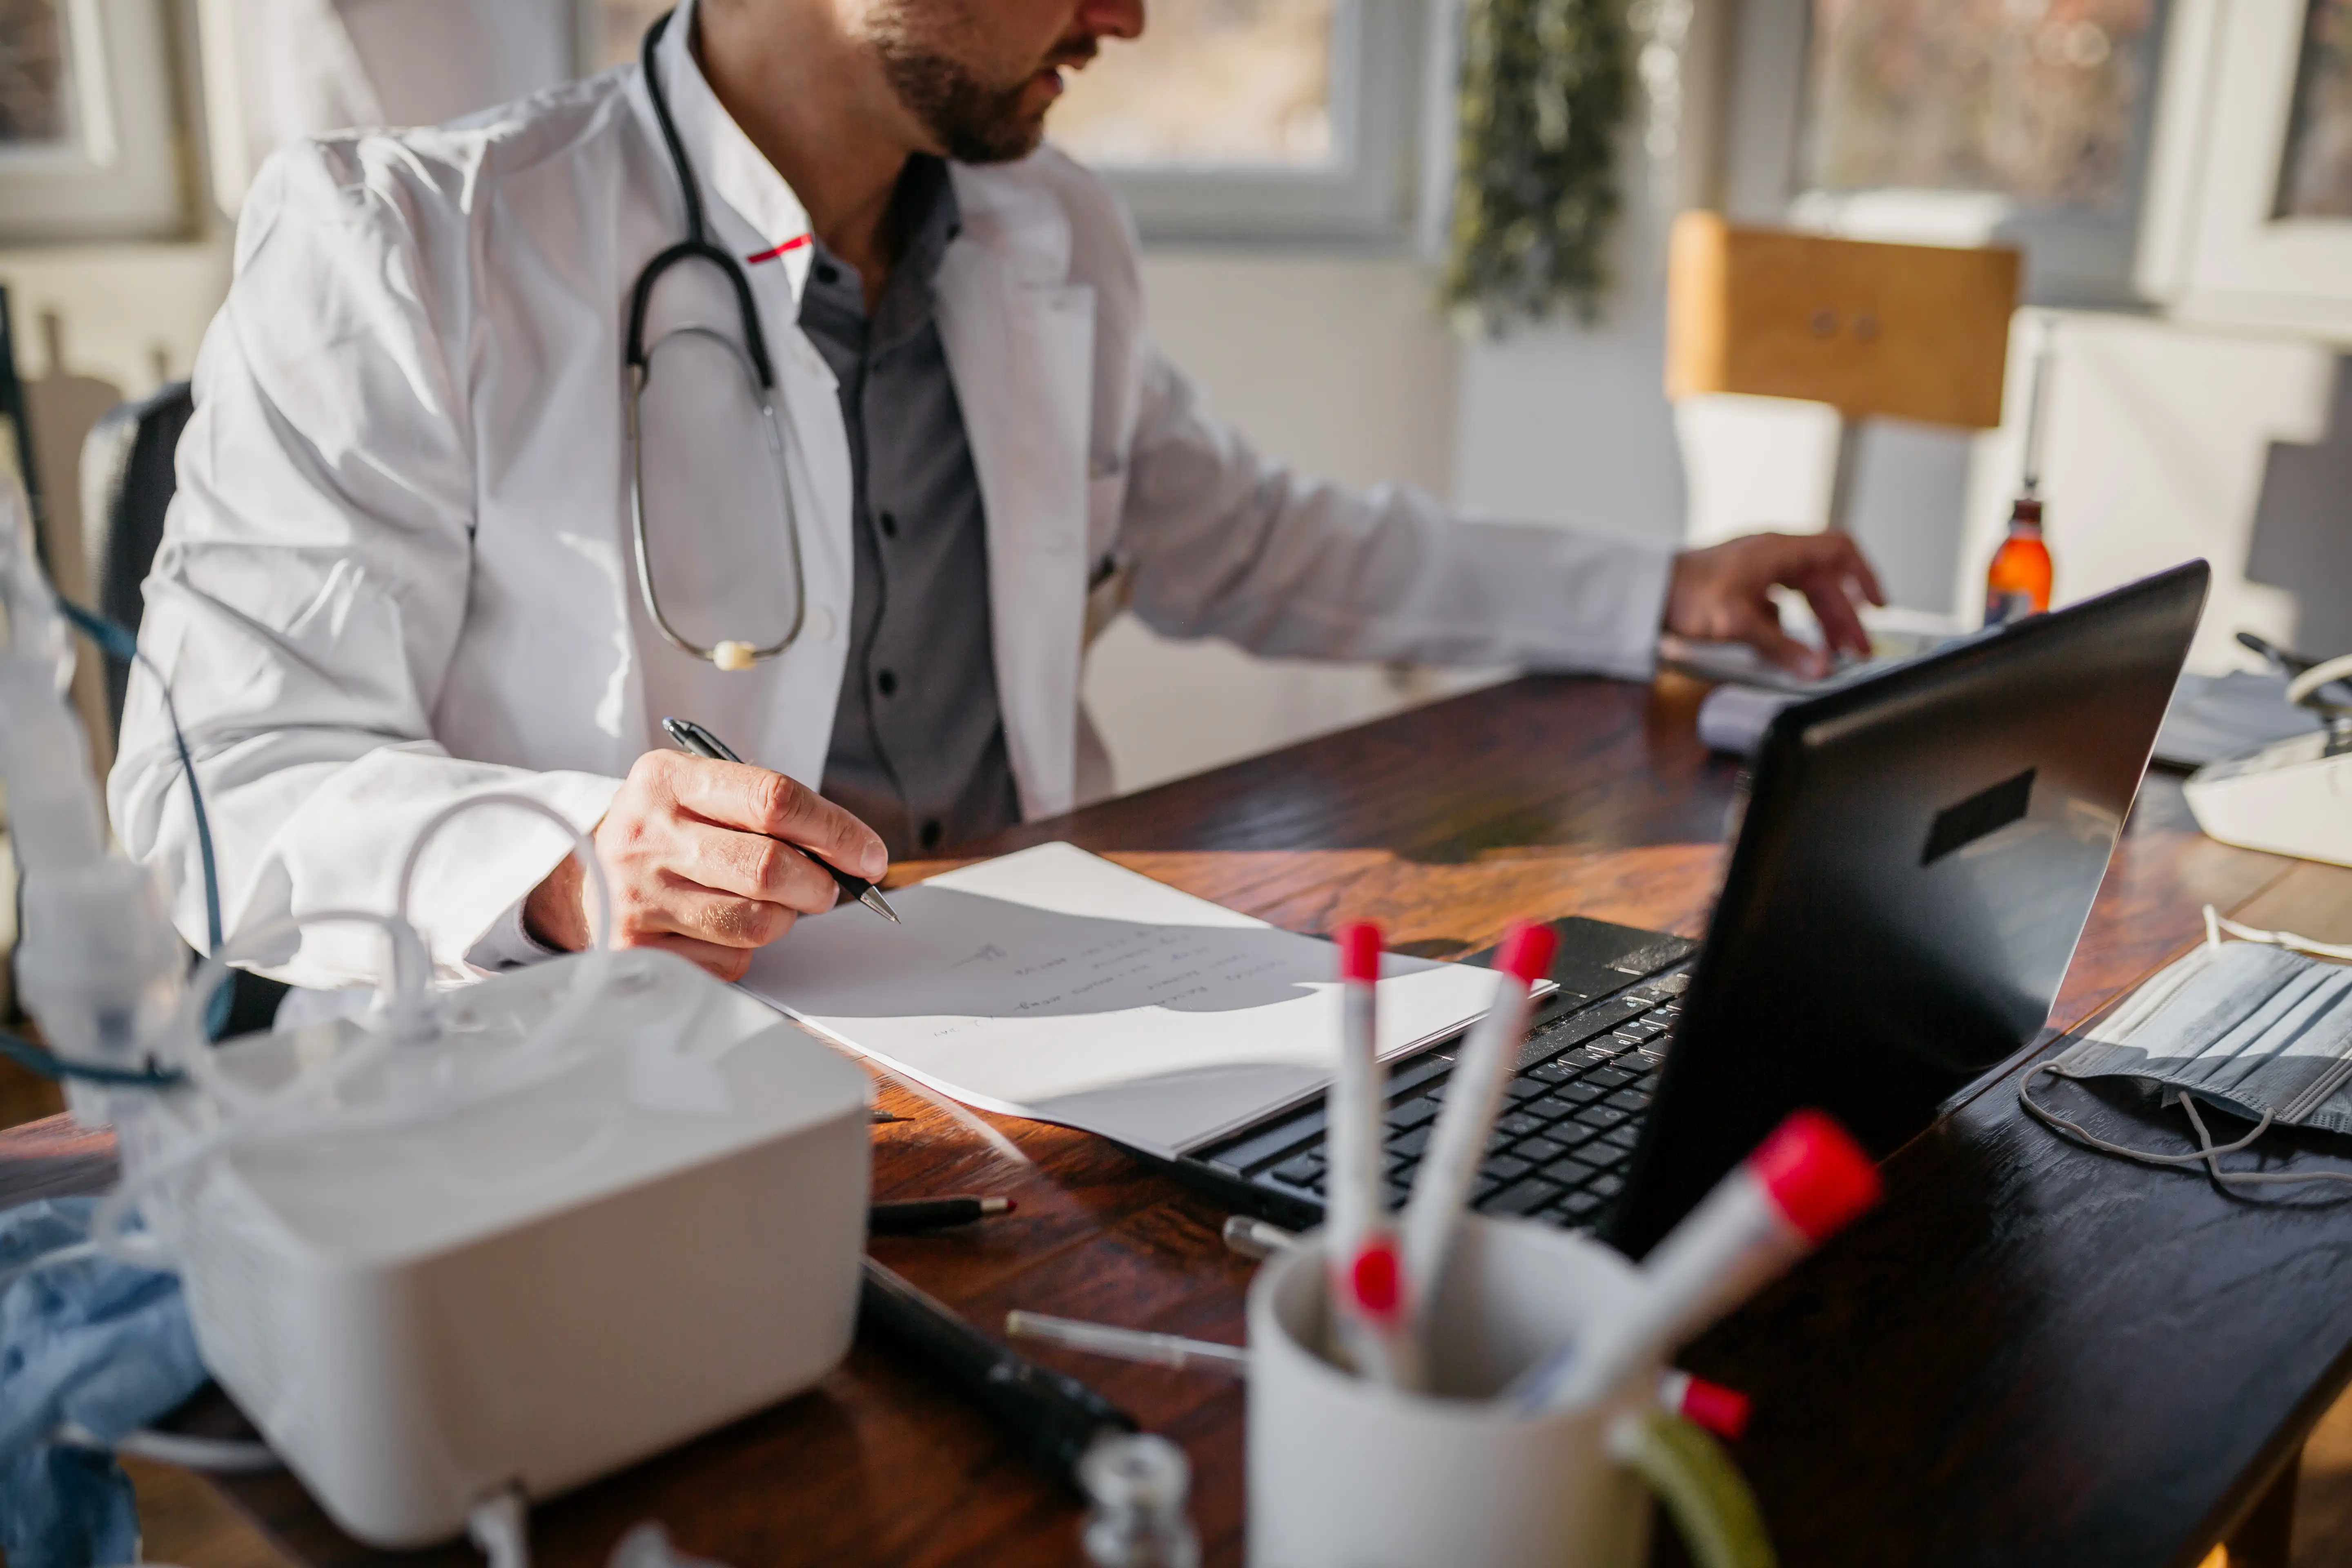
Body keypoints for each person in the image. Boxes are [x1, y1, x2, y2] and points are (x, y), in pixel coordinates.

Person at [109, 0, 1885, 994]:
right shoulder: (414, 242)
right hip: (611, 1074)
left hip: (1037, 1001)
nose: (1125, 12)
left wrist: (1657, 584)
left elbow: (1256, 543)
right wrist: (569, 867)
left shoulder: (1053, 234)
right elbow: (218, 786)